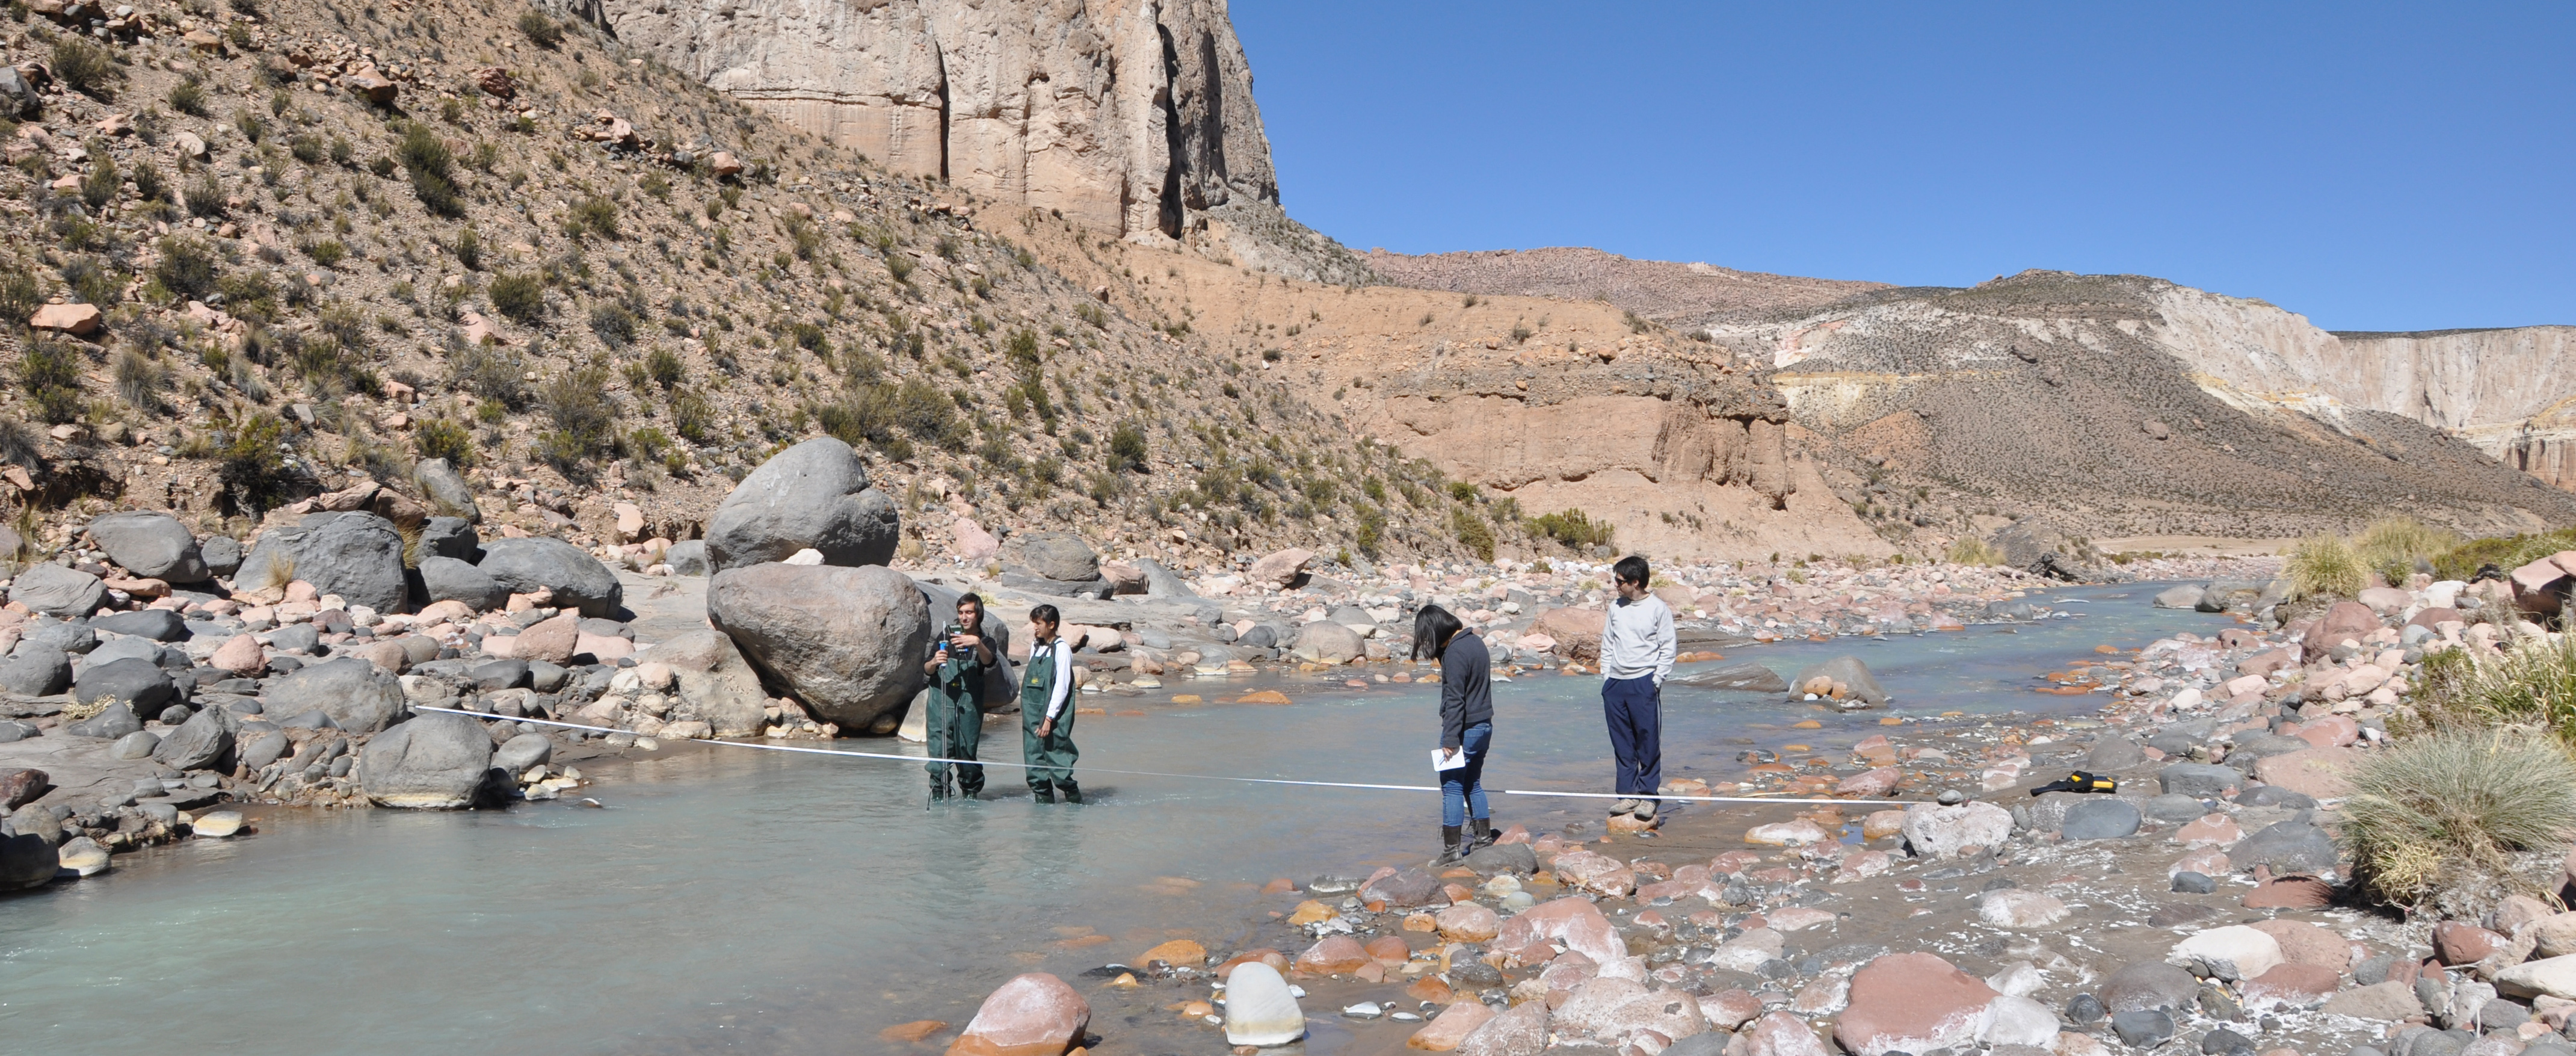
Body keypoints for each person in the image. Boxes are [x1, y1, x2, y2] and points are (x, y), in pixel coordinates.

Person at [1414, 604, 1495, 863]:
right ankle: (1483, 840)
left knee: (1451, 786)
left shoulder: (1456, 652)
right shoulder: (1475, 642)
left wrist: (1450, 739)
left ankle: (1452, 851)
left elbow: (1455, 700)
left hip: (1464, 730)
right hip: (1484, 726)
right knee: (1473, 783)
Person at [1600, 555, 1675, 822]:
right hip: (1616, 684)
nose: (1616, 586)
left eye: (1620, 582)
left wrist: (1656, 680)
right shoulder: (1616, 608)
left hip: (1644, 681)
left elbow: (1668, 647)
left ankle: (1648, 796)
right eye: (1615, 580)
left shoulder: (1658, 609)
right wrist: (1606, 676)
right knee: (1622, 742)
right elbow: (1608, 643)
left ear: (1635, 582)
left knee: (1647, 741)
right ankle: (1627, 794)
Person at [922, 593, 996, 801]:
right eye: (961, 613)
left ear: (978, 614)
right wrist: (935, 661)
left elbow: (989, 661)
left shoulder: (986, 641)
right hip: (940, 707)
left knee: (966, 755)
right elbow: (927, 670)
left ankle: (970, 800)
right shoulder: (945, 637)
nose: (964, 617)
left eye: (969, 612)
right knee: (938, 755)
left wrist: (976, 643)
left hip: (969, 709)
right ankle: (938, 796)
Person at [1020, 604, 1082, 803]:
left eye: (1038, 623)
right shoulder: (1036, 647)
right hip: (1031, 713)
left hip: (1053, 717)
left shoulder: (1062, 650)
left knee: (1058, 762)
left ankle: (1074, 803)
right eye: (1034, 623)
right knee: (1034, 763)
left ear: (1051, 624)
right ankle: (1043, 810)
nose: (1035, 628)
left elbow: (1062, 687)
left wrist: (1048, 718)